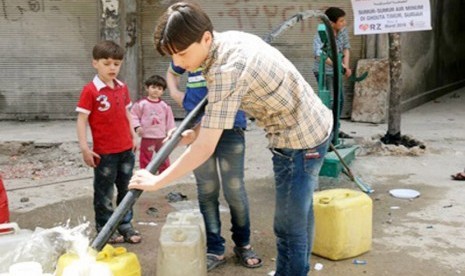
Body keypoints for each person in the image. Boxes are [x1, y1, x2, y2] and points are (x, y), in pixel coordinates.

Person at [129, 2, 333, 275]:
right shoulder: (228, 41)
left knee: (288, 228)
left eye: (182, 53)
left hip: (299, 140)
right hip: (312, 127)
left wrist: (157, 181)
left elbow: (204, 149)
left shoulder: (227, 70)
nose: (179, 63)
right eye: (173, 56)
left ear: (206, 38)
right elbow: (216, 115)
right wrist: (193, 133)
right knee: (300, 214)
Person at [166, 62, 261, 270]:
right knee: (207, 190)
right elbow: (172, 71)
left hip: (230, 127)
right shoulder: (184, 53)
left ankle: (243, 244)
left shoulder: (223, 56)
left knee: (234, 190)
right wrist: (175, 93)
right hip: (196, 127)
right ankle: (215, 249)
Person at [76, 40, 141, 244]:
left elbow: (127, 113)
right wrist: (85, 148)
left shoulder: (122, 87)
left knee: (126, 190)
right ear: (95, 63)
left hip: (126, 149)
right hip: (104, 153)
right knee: (104, 193)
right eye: (107, 63)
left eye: (117, 63)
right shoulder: (90, 90)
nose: (112, 68)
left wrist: (134, 135)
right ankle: (105, 228)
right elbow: (82, 120)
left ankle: (125, 225)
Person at [313, 7, 352, 138]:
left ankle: (335, 129)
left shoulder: (343, 31)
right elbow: (319, 54)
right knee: (326, 101)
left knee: (339, 100)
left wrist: (345, 66)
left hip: (337, 71)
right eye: (341, 21)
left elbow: (346, 48)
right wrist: (339, 66)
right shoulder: (321, 34)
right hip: (323, 71)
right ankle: (324, 131)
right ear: (331, 23)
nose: (344, 23)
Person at [130, 74, 175, 172]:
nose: (156, 90)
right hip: (147, 137)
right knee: (145, 157)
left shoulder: (165, 106)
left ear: (163, 91)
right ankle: (145, 173)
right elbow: (133, 116)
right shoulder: (141, 104)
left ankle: (164, 172)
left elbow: (170, 120)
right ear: (147, 88)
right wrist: (137, 127)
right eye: (153, 87)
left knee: (163, 155)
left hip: (161, 137)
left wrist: (170, 133)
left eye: (159, 88)